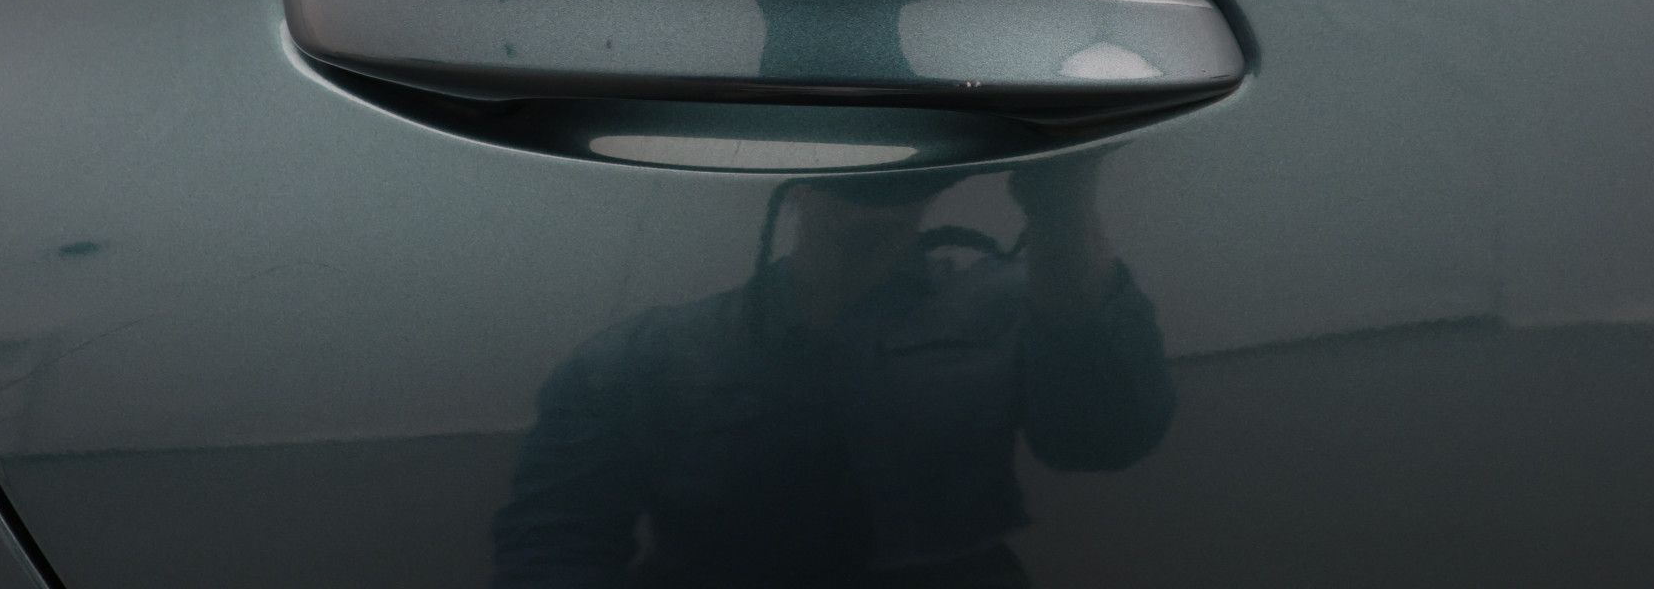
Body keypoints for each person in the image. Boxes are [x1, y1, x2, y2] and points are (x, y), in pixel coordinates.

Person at [491, 146, 1176, 588]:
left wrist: (1062, 201)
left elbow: (1102, 437)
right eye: (843, 133)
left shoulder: (1011, 308)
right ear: (785, 167)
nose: (870, 157)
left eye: (897, 135)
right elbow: (554, 550)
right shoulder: (636, 358)